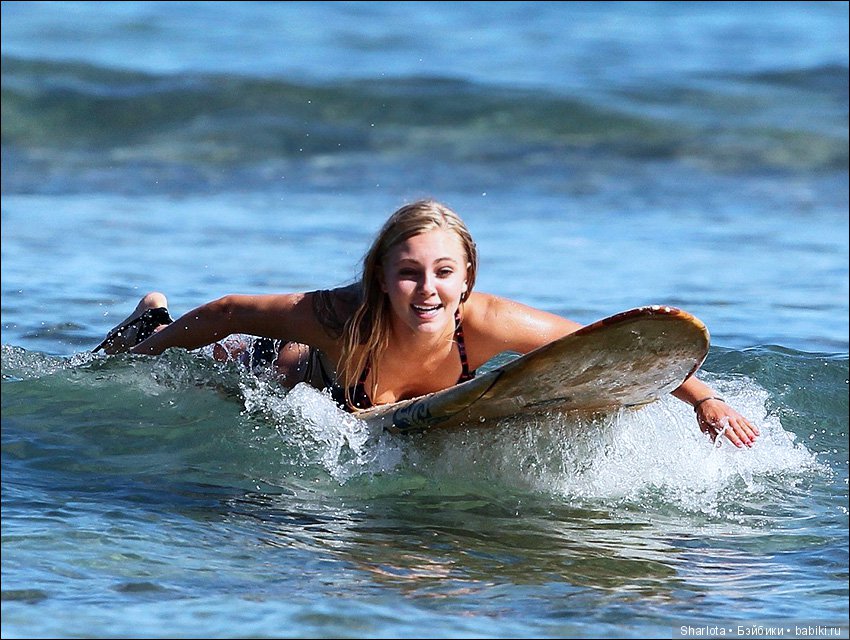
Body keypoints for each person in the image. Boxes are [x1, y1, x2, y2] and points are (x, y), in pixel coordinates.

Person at [94, 199, 759, 447]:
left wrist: (705, 399)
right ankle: (147, 318)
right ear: (381, 276)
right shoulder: (337, 312)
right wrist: (146, 354)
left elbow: (614, 349)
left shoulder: (488, 322)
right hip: (284, 371)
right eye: (409, 272)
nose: (426, 289)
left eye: (444, 272)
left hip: (380, 412)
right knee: (214, 375)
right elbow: (226, 312)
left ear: (467, 276)